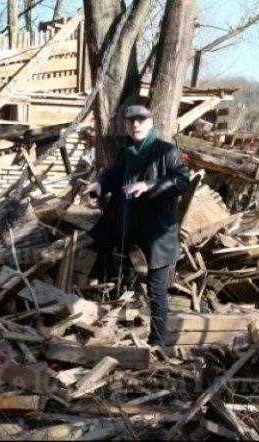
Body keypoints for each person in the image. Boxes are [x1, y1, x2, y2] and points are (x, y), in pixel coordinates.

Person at [82, 104, 190, 348]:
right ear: (125, 125)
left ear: (151, 123)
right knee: (105, 257)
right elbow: (112, 175)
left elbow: (182, 180)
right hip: (127, 224)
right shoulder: (127, 152)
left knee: (155, 288)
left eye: (141, 120)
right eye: (131, 121)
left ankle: (158, 342)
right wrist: (99, 184)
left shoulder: (167, 151)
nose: (136, 125)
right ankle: (112, 327)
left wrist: (150, 186)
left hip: (157, 230)